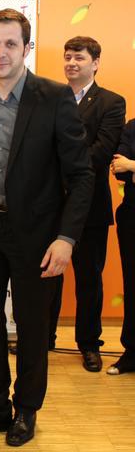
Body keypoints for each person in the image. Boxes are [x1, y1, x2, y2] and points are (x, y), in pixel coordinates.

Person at [0, 9, 94, 446]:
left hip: (36, 233)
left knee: (32, 326)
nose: (1, 52)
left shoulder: (54, 96)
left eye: (11, 44)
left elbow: (81, 175)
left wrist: (66, 238)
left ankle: (26, 411)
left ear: (26, 48)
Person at [52, 36, 125, 371]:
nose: (71, 63)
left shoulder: (111, 102)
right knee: (45, 277)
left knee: (89, 279)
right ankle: (41, 338)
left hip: (90, 204)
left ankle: (89, 344)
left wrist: (58, 169)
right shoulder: (50, 97)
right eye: (68, 57)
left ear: (95, 63)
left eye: (79, 57)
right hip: (49, 204)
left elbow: (102, 151)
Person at [109, 119, 135, 375]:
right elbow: (119, 169)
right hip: (132, 217)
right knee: (132, 284)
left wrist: (133, 165)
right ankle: (132, 352)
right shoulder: (132, 127)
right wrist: (127, 167)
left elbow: (128, 167)